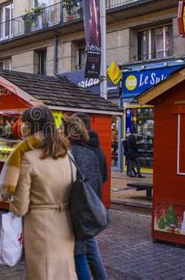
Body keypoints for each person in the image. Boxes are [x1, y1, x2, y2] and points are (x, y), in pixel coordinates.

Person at [7, 106, 76, 280]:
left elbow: (20, 207)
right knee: (64, 272)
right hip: (66, 224)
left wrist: (12, 205)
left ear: (30, 128)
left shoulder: (29, 158)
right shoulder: (66, 154)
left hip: (40, 226)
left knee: (42, 273)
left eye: (24, 124)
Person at [62, 115, 108, 280]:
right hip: (89, 210)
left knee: (79, 256)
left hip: (73, 212)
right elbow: (101, 180)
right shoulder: (93, 153)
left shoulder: (67, 154)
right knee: (90, 252)